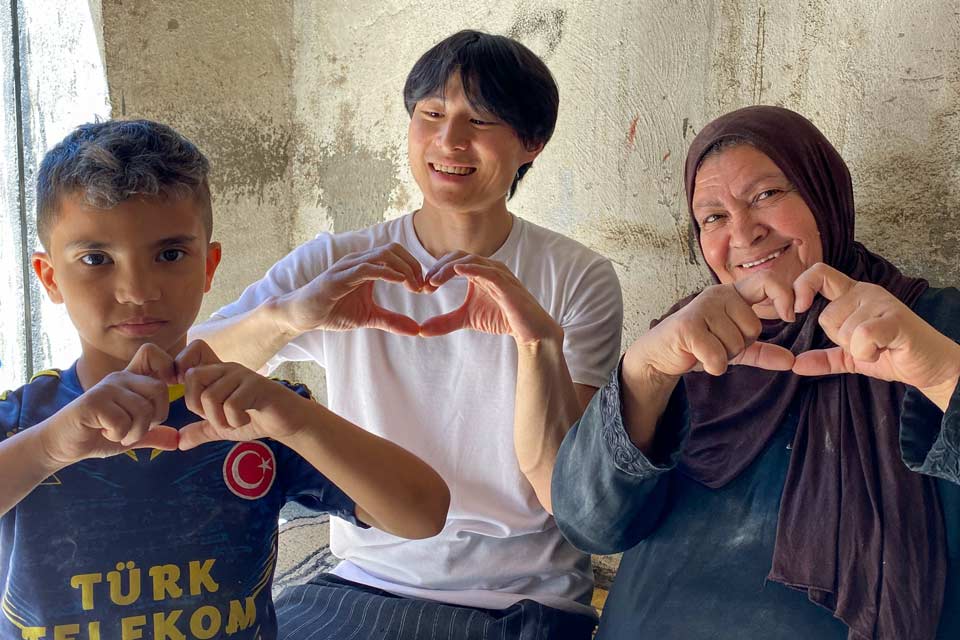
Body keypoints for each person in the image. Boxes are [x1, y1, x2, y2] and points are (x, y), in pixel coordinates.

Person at [192, 30, 622, 639]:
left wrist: (536, 344)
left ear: (532, 144)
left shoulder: (577, 277)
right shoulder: (339, 263)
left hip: (522, 594)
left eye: (480, 120)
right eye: (432, 115)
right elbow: (189, 367)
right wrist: (290, 317)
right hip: (363, 575)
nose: (450, 140)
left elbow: (566, 492)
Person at [0, 119, 449, 639]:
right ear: (50, 276)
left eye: (170, 255)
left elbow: (424, 513)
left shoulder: (255, 414)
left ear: (209, 265)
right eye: (96, 259)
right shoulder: (23, 424)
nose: (137, 290)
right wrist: (50, 447)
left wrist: (297, 421)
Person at [551, 106, 960, 639]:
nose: (743, 233)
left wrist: (942, 374)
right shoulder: (687, 337)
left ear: (823, 195)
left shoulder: (929, 324)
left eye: (767, 195)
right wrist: (645, 370)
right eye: (713, 217)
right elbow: (589, 523)